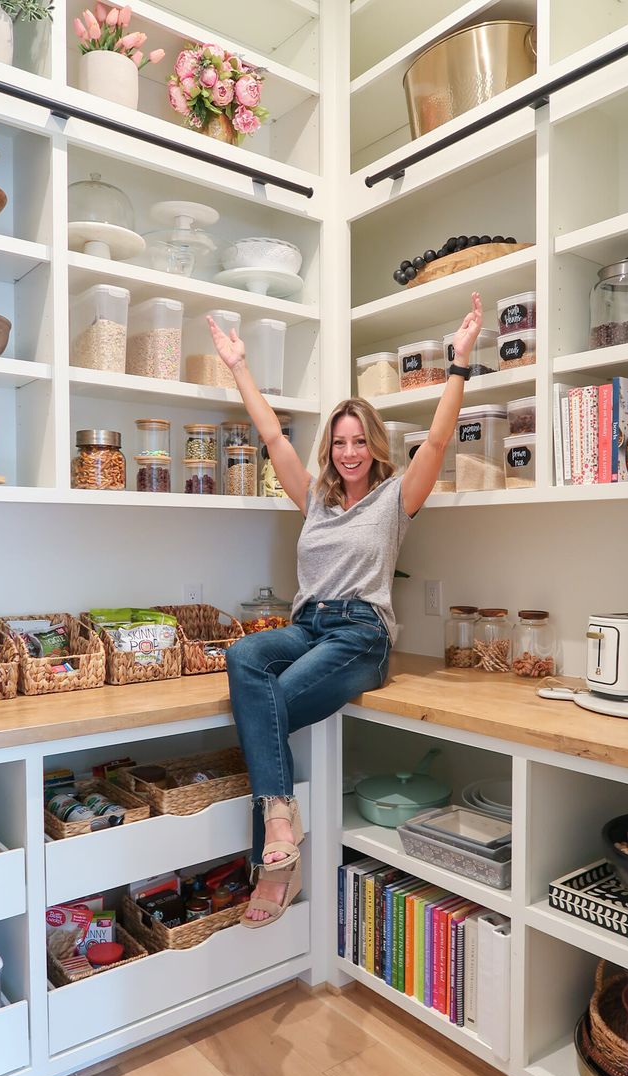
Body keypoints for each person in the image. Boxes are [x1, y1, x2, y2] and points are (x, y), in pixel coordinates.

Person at [207, 292, 482, 928]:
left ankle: (274, 857)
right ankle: (282, 827)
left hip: (361, 634)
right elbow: (273, 434)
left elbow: (438, 442)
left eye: (358, 441)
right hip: (308, 626)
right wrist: (238, 367)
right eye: (339, 443)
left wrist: (459, 364)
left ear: (373, 445)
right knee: (246, 653)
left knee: (271, 702)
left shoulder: (394, 500)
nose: (348, 452)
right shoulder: (316, 500)